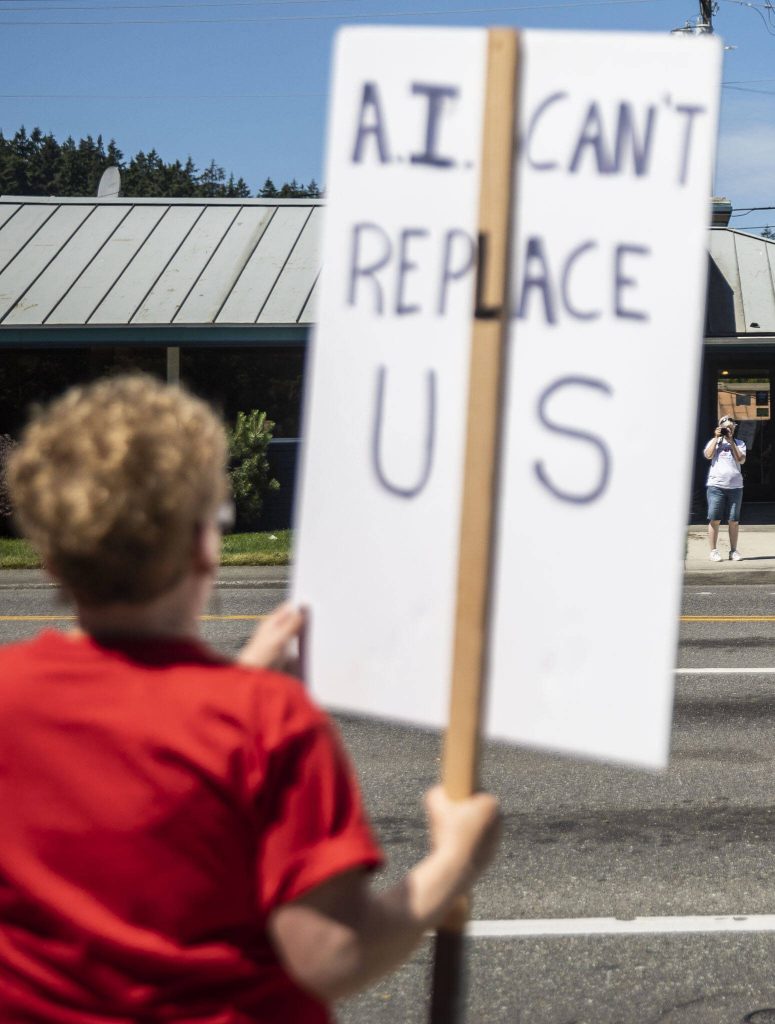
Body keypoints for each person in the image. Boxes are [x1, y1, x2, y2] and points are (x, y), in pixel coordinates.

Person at [0, 374, 500, 1023]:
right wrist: (453, 863)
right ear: (204, 547)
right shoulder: (264, 722)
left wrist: (238, 682)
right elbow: (332, 956)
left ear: (50, 558)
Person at [703, 414, 746, 561]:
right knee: (714, 519)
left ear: (734, 428)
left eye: (731, 427)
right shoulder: (714, 442)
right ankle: (713, 551)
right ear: (720, 427)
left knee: (733, 520)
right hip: (716, 486)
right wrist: (716, 438)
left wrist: (731, 442)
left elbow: (741, 459)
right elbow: (708, 455)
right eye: (725, 427)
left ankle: (733, 551)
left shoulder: (739, 443)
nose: (728, 429)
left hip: (735, 487)